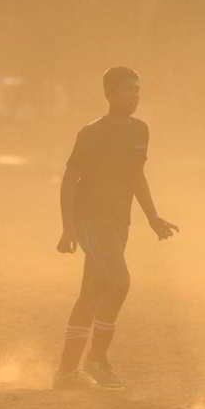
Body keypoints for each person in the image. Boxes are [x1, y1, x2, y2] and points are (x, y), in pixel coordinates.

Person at [54, 67, 179, 390]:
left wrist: (153, 218)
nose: (134, 96)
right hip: (90, 221)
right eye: (127, 90)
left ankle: (66, 373)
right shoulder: (92, 133)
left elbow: (136, 176)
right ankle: (97, 359)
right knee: (119, 282)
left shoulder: (140, 131)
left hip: (118, 222)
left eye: (137, 90)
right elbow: (70, 180)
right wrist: (68, 228)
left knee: (91, 292)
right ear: (109, 94)